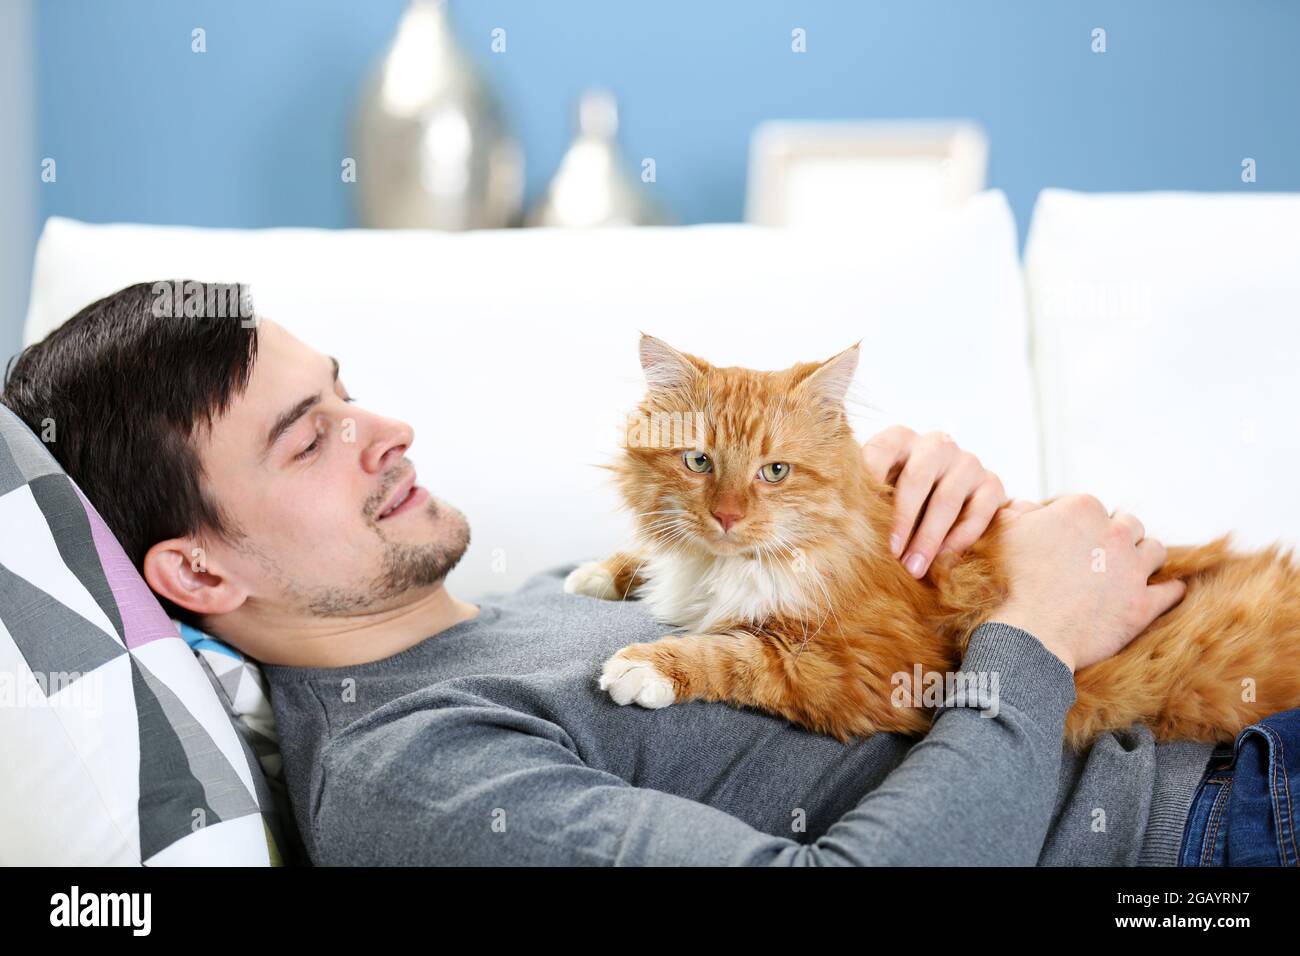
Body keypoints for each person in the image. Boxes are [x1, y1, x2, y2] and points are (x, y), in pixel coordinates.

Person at [2, 280, 1254, 866]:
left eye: (344, 390)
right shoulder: (411, 773)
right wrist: (1032, 633)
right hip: (1202, 826)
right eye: (308, 435)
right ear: (197, 571)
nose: (382, 428)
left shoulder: (551, 594)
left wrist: (901, 498)